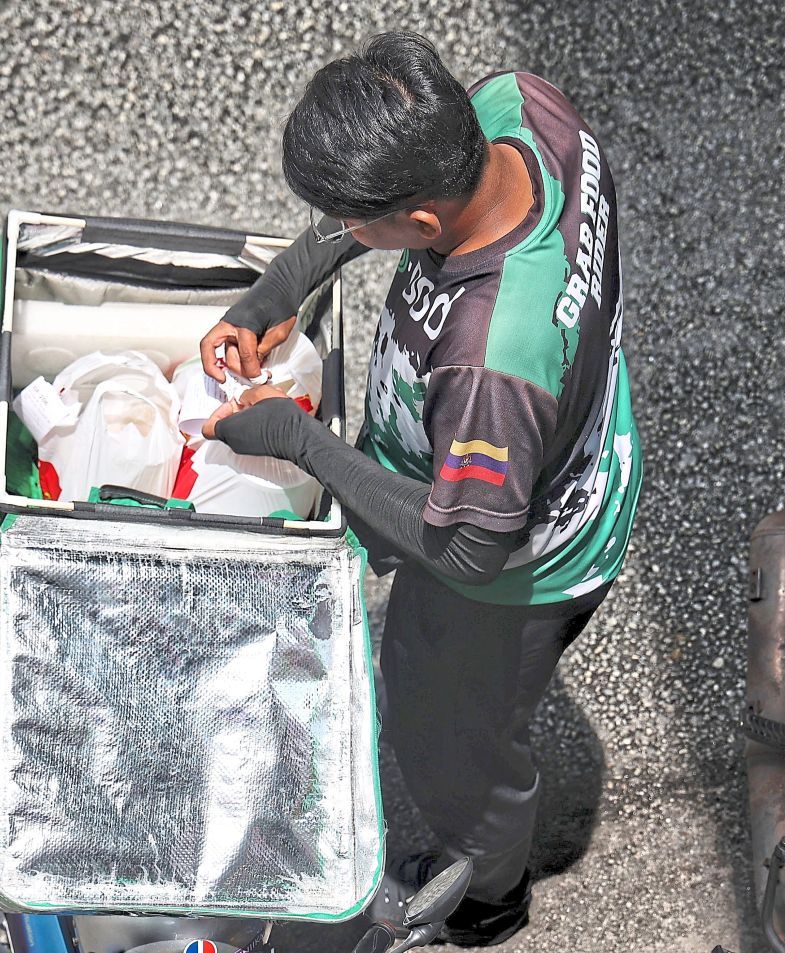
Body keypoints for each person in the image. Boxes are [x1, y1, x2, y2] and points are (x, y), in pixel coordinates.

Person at [198, 32, 643, 947]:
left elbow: (469, 546)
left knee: (452, 741)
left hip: (510, 571)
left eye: (359, 220)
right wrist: (283, 285)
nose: (346, 228)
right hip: (549, 455)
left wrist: (299, 440)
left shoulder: (492, 360)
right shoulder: (520, 107)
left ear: (424, 222)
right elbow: (386, 202)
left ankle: (486, 898)